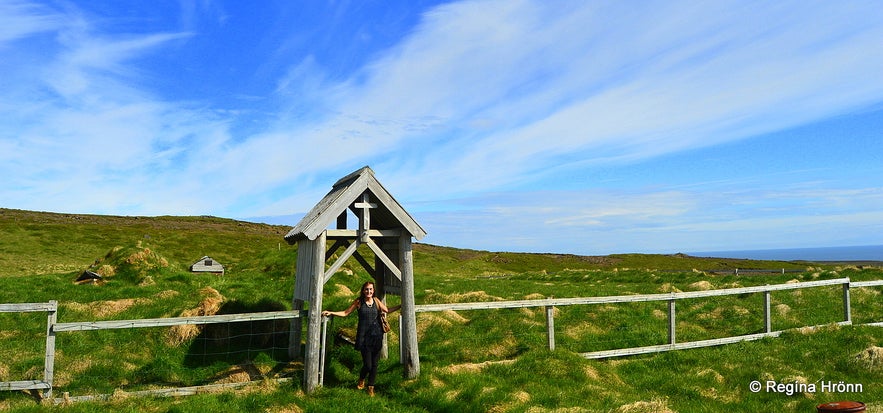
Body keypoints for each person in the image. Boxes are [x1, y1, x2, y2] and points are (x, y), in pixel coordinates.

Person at [322, 281, 400, 396]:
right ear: (363, 291)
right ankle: (362, 378)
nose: (369, 291)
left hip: (377, 336)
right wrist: (331, 312)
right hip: (364, 338)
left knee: (375, 365)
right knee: (367, 365)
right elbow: (345, 313)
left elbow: (387, 310)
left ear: (373, 291)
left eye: (371, 289)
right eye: (366, 289)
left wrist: (401, 305)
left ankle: (370, 387)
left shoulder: (377, 301)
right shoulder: (359, 302)